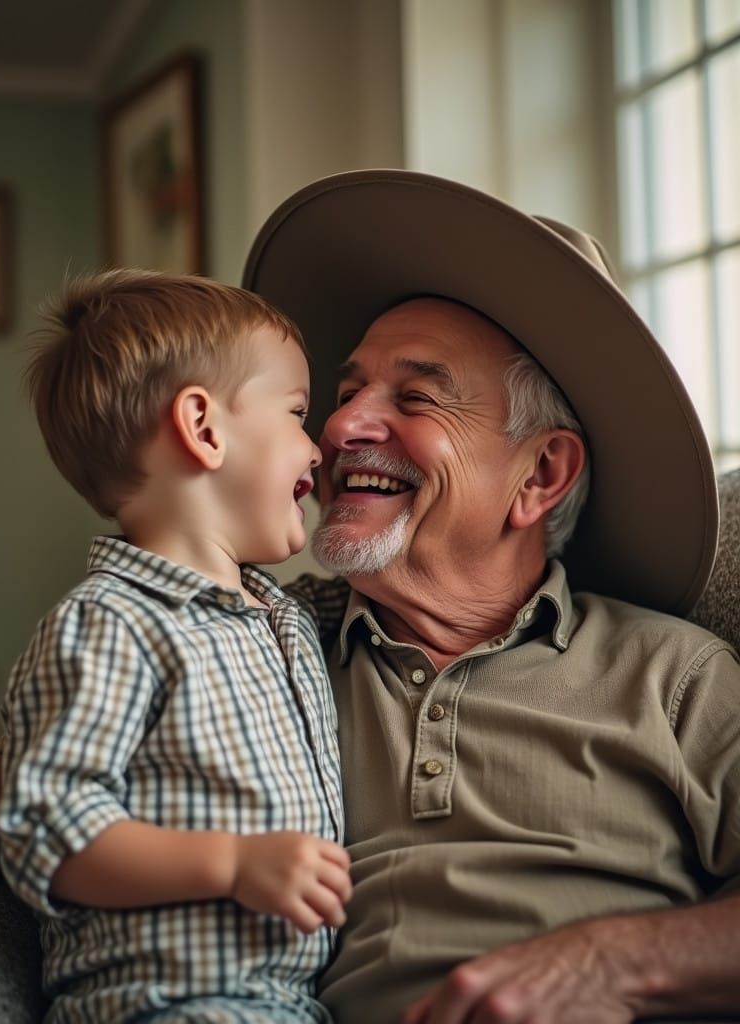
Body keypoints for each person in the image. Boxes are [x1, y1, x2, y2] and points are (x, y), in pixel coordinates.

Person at [241, 169, 740, 1023]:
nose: (339, 425)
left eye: (416, 395)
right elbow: (48, 783)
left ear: (540, 475)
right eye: (349, 388)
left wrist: (610, 962)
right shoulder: (262, 651)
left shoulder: (676, 675)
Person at [0, 270, 351, 1024]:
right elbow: (47, 830)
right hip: (165, 1006)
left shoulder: (278, 615)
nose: (316, 444)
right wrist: (231, 864)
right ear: (204, 427)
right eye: (295, 413)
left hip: (286, 1007)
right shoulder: (109, 625)